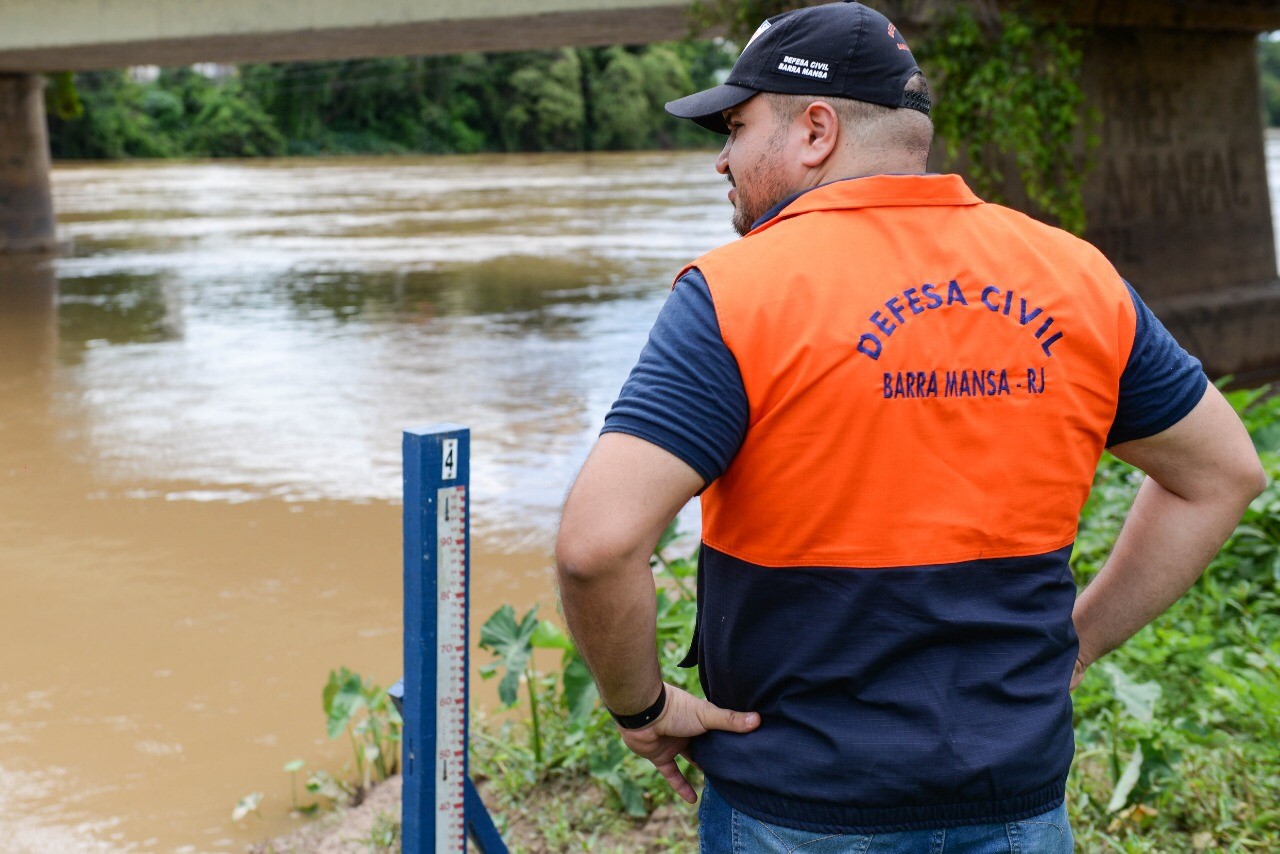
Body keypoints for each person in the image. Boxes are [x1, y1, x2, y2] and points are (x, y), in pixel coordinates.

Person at [553, 2, 1267, 851]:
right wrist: (1075, 643)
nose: (722, 159)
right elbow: (1224, 475)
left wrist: (644, 705)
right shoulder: (1076, 275)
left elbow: (596, 547)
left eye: (738, 127)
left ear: (815, 129)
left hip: (796, 804)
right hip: (1016, 802)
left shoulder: (738, 293)